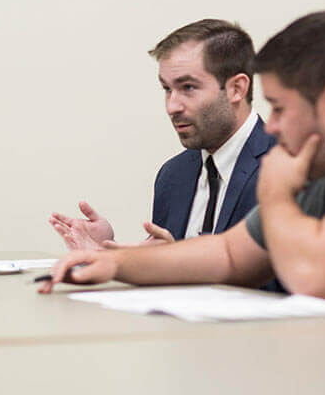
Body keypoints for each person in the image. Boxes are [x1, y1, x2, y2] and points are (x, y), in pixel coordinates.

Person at [42, 10, 325, 303]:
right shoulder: (318, 176)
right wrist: (112, 262)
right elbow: (230, 254)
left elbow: (320, 281)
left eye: (280, 109)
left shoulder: (285, 176)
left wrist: (275, 193)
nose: (271, 126)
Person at [50, 19, 275, 253]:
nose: (172, 106)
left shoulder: (291, 167)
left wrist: (176, 263)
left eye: (188, 87)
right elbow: (168, 281)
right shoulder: (173, 175)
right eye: (167, 89)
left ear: (236, 89)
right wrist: (111, 257)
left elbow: (286, 282)